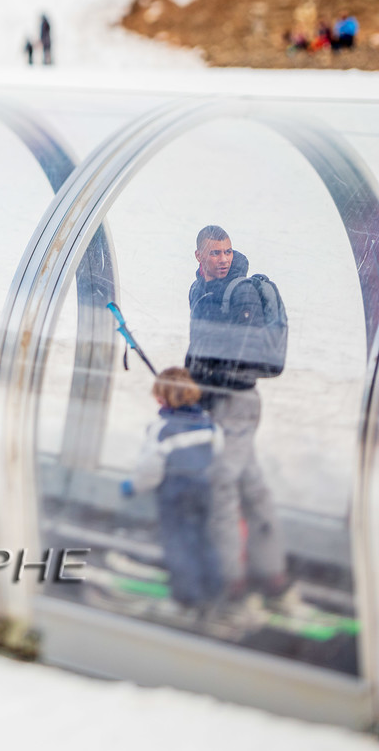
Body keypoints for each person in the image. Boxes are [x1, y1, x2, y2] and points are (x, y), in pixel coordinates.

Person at [185, 225, 295, 610]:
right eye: (214, 253)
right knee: (249, 483)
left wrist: (210, 382)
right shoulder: (197, 290)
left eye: (227, 252)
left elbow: (241, 354)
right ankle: (271, 573)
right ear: (198, 256)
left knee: (221, 486)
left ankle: (230, 582)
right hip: (213, 399)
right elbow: (199, 342)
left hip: (236, 400)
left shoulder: (241, 291)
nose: (223, 259)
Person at [121, 367, 225, 609]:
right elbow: (218, 453)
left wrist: (132, 486)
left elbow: (150, 469)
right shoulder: (209, 425)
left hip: (175, 491)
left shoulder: (161, 429)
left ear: (161, 398)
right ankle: (214, 589)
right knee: (202, 538)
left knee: (178, 543)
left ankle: (186, 598)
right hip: (203, 487)